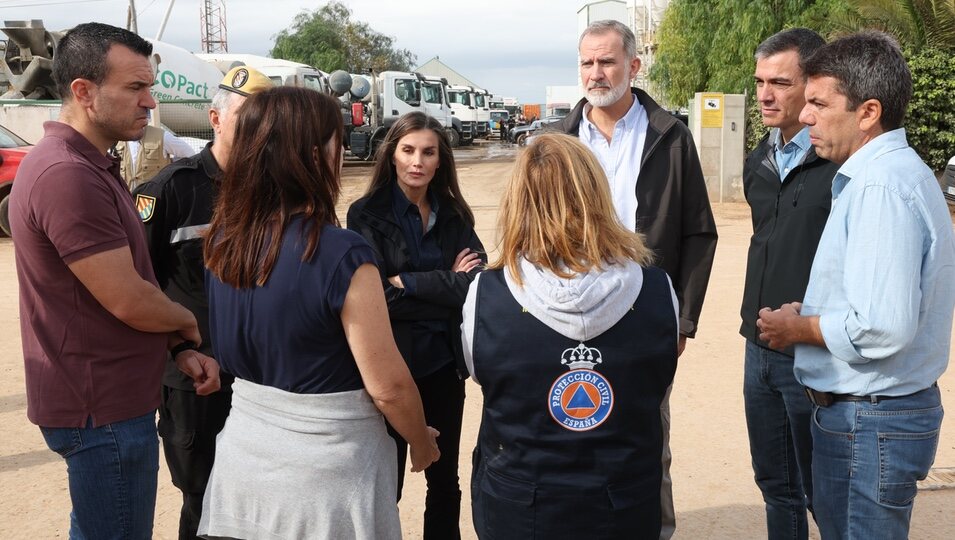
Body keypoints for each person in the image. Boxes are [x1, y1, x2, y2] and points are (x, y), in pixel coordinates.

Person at [7, 22, 219, 539]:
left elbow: (105, 296)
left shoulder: (87, 164)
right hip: (100, 411)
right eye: (135, 87)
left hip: (107, 402)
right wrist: (189, 323)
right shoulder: (66, 174)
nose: (150, 102)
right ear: (83, 91)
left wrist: (172, 348)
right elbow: (128, 299)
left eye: (150, 87)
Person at [198, 87, 440, 540]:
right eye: (337, 141)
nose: (344, 151)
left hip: (241, 469)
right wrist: (421, 443)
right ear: (312, 155)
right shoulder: (340, 252)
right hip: (325, 484)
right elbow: (388, 387)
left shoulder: (223, 241)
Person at [757, 31, 955, 539]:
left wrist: (799, 328)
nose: (805, 115)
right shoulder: (883, 176)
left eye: (820, 103)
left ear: (868, 112)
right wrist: (816, 310)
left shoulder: (880, 186)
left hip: (870, 423)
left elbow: (882, 327)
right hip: (871, 420)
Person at [462, 133, 678, 539]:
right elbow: (657, 381)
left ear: (518, 200)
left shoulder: (486, 294)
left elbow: (482, 373)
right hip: (624, 506)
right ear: (597, 195)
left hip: (521, 508)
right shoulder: (657, 289)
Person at [554, 19, 717, 538]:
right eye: (587, 62)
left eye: (607, 61)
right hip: (567, 316)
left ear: (633, 65)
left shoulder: (670, 137)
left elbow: (698, 233)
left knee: (647, 438)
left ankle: (653, 530)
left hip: (646, 319)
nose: (596, 73)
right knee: (570, 433)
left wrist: (682, 320)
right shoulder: (558, 142)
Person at [130, 65, 272, 540]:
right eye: (246, 117)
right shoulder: (170, 190)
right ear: (215, 117)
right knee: (204, 499)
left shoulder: (275, 192)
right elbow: (140, 284)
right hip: (196, 376)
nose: (258, 130)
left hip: (262, 374)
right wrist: (176, 350)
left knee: (263, 495)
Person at [347, 111, 485, 540]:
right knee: (386, 486)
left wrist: (407, 281)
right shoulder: (365, 214)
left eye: (428, 152)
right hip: (390, 369)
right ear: (392, 156)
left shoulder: (456, 214)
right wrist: (448, 283)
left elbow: (477, 285)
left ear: (441, 159)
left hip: (444, 368)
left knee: (445, 482)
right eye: (408, 150)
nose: (417, 161)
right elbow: (378, 302)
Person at [740, 28, 837, 540]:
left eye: (779, 81)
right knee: (775, 486)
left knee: (824, 491)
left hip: (812, 350)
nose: (765, 94)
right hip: (757, 346)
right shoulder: (760, 157)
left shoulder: (840, 163)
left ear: (813, 83)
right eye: (759, 82)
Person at [115, 124, 194, 190]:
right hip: (126, 199)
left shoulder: (162, 137)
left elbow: (190, 155)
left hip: (152, 200)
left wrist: (172, 169)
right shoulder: (117, 139)